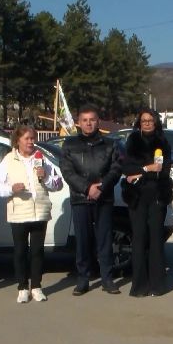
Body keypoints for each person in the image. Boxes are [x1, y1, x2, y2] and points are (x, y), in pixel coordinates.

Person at [0, 126, 63, 303]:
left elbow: (58, 184)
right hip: (19, 213)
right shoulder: (9, 160)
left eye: (33, 138)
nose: (31, 142)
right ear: (18, 141)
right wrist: (11, 189)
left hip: (40, 212)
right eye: (27, 139)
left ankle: (37, 287)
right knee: (20, 251)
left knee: (37, 251)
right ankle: (22, 287)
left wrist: (46, 177)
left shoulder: (41, 158)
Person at [60, 104, 122, 296]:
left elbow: (116, 169)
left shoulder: (110, 144)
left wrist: (101, 187)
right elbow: (67, 171)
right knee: (83, 241)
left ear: (98, 122)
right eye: (85, 120)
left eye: (92, 120)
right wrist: (87, 188)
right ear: (79, 123)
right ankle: (83, 279)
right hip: (81, 198)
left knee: (105, 240)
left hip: (104, 198)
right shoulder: (69, 144)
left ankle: (107, 279)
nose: (88, 123)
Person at [121, 108, 173, 297]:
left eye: (150, 120)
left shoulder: (163, 141)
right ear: (139, 123)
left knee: (156, 239)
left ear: (156, 122)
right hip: (137, 196)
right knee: (139, 239)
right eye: (144, 120)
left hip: (158, 195)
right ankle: (139, 286)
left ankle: (157, 285)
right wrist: (147, 168)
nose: (147, 123)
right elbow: (127, 168)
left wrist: (141, 172)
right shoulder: (133, 140)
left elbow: (164, 170)